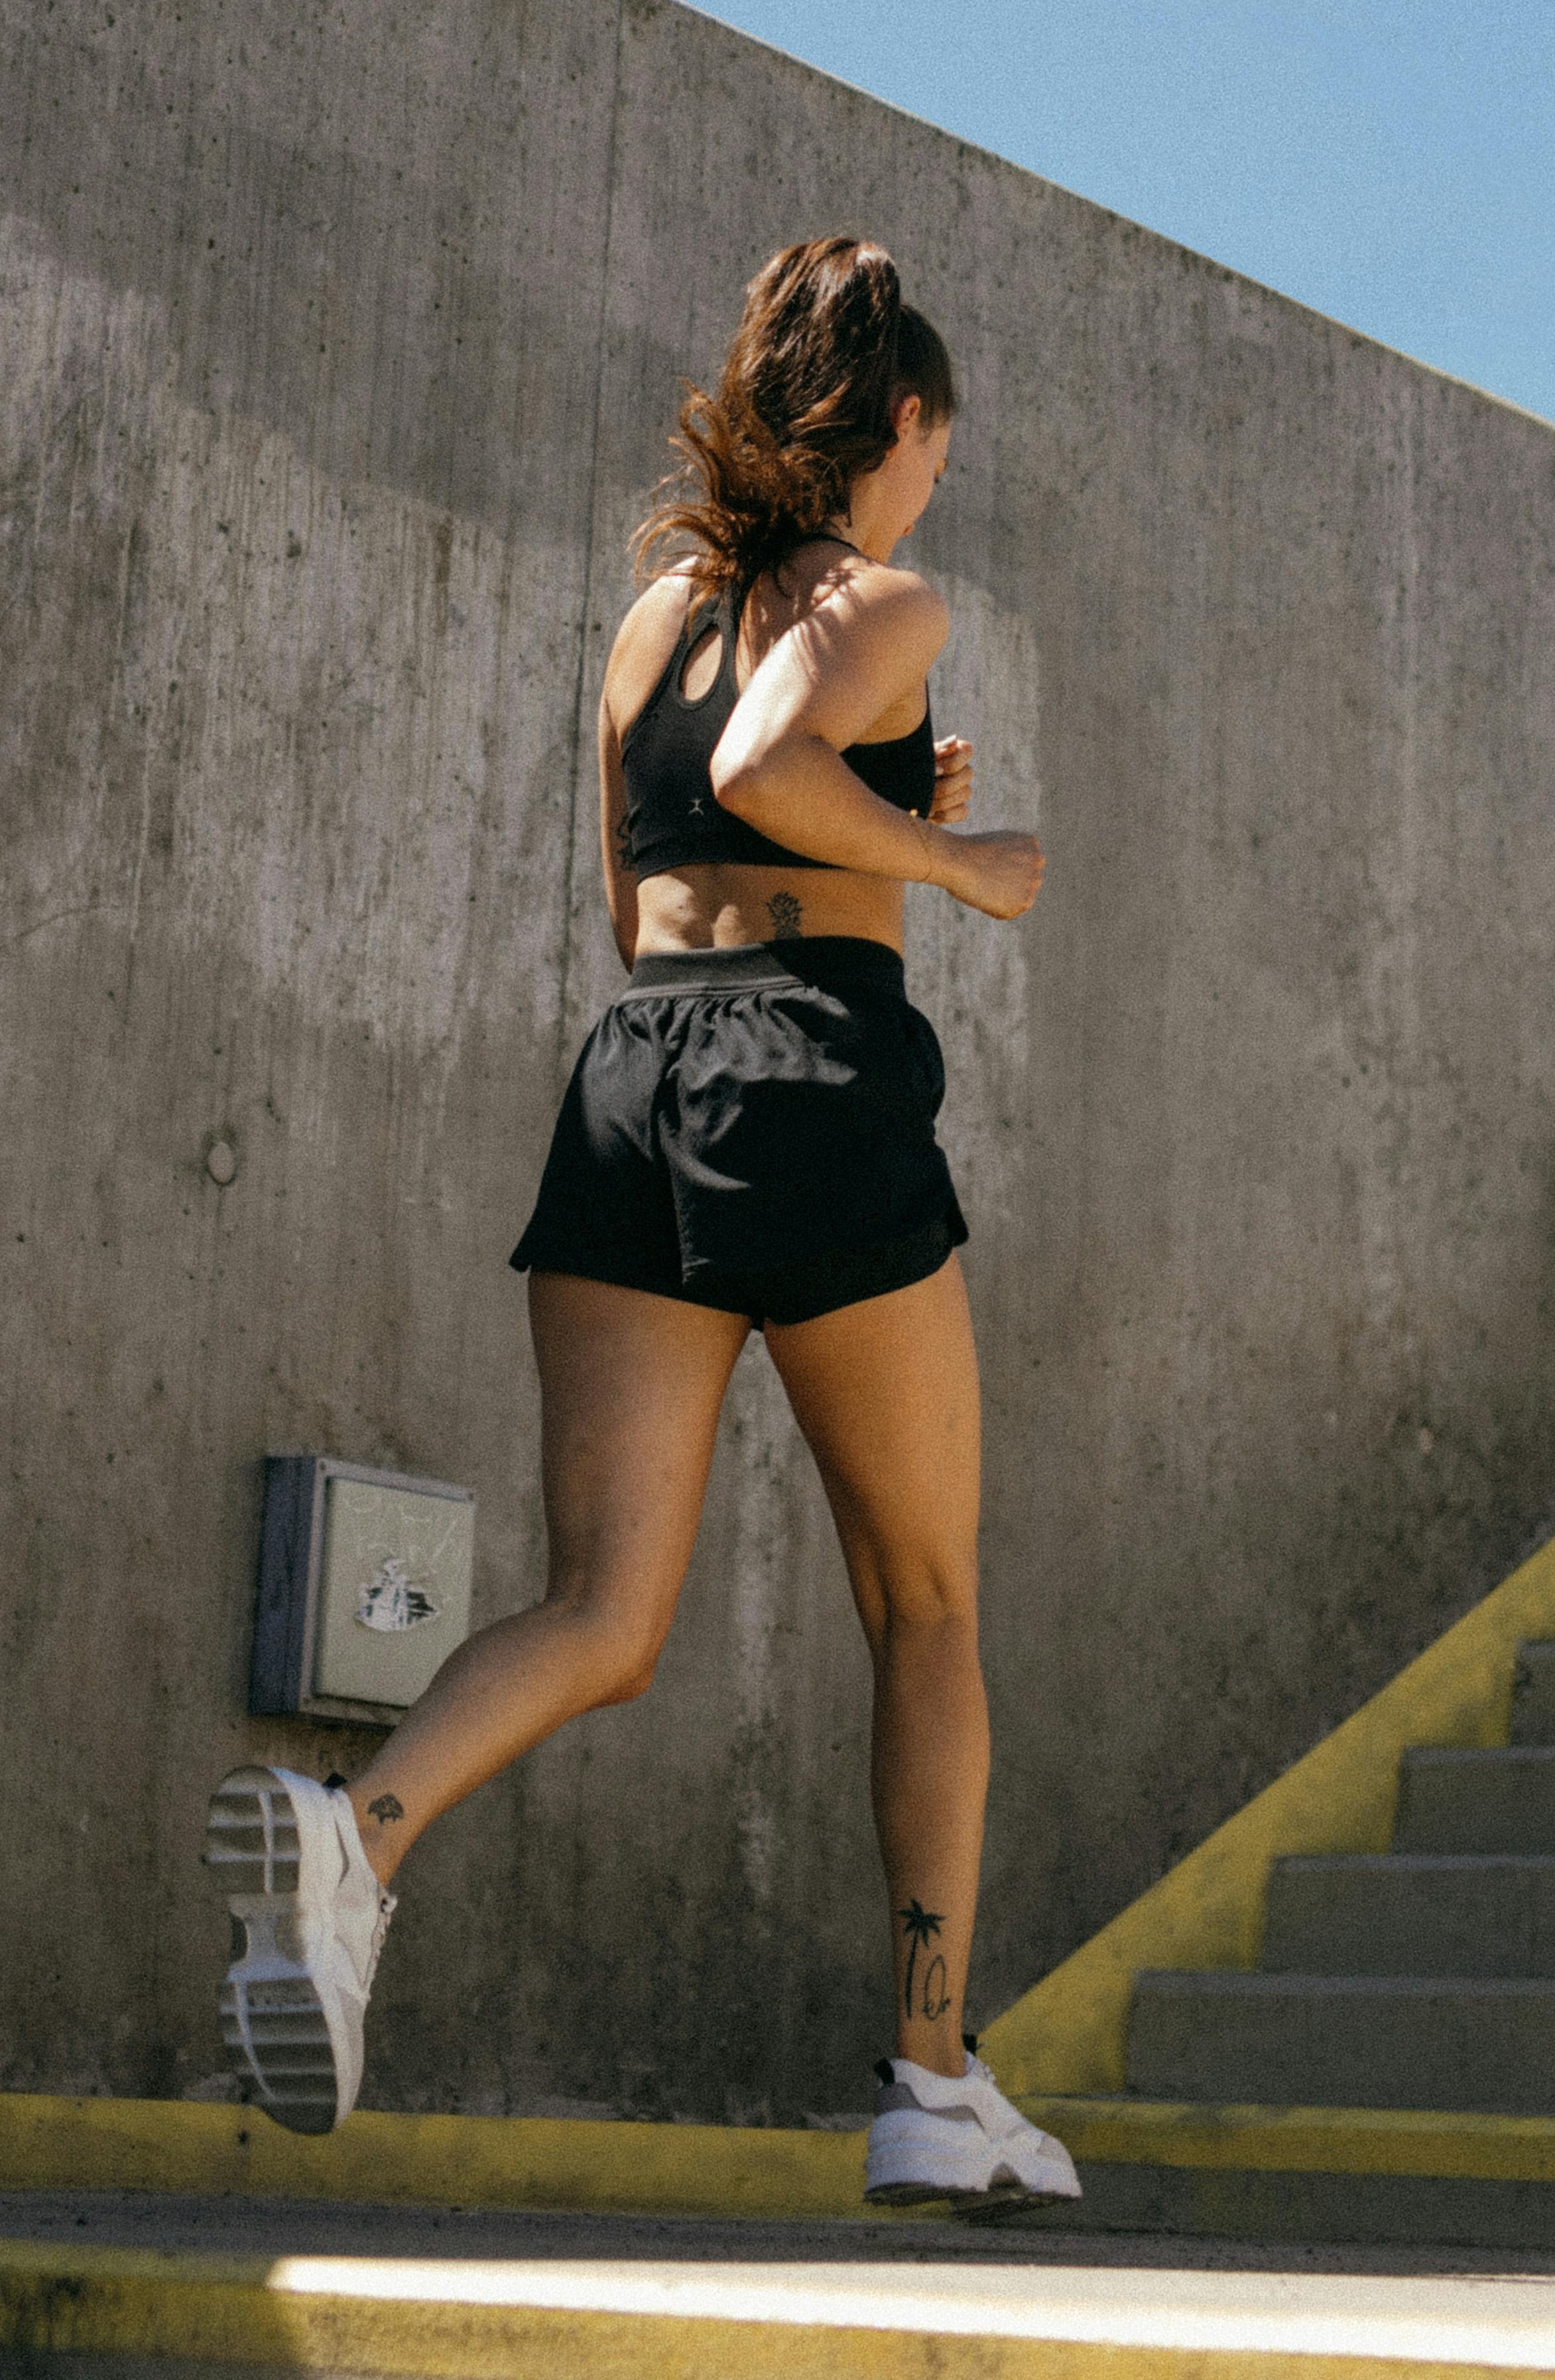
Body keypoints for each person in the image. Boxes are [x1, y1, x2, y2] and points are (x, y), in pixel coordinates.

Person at [206, 235, 1080, 2212]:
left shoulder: (652, 618)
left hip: (635, 1084)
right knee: (925, 1607)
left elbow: (647, 901)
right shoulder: (887, 598)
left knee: (601, 1611)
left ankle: (359, 1840)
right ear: (903, 422)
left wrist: (872, 806)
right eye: (935, 458)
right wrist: (953, 861)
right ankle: (933, 2082)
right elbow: (772, 764)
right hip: (815, 1088)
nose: (931, 494)